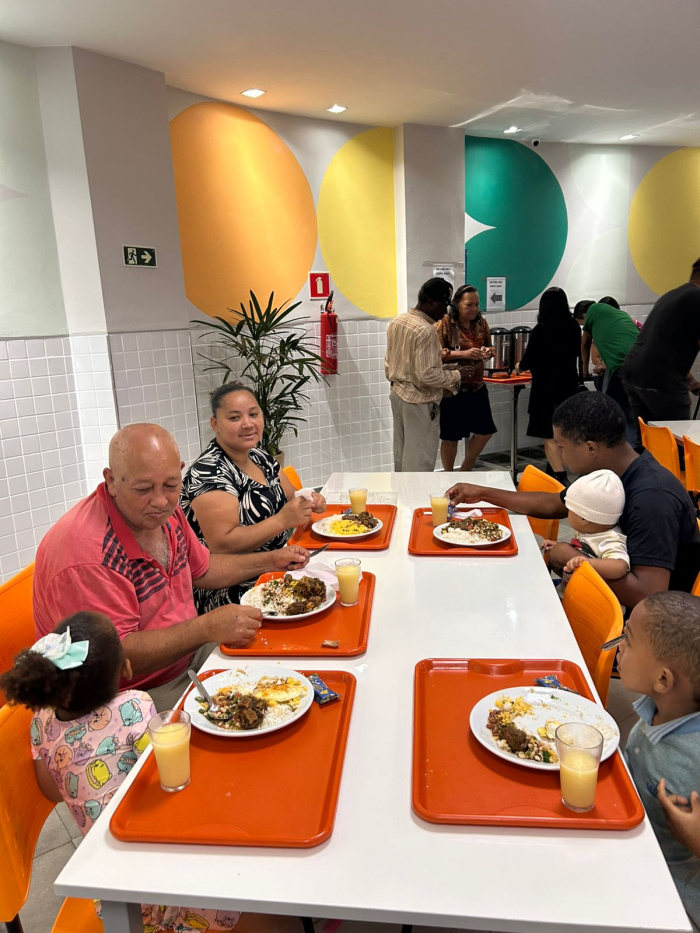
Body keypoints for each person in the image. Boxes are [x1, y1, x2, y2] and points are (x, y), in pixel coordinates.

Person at [0, 612, 299, 933]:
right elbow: (167, 777)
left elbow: (50, 789)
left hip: (108, 888)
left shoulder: (41, 722)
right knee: (276, 911)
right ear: (126, 668)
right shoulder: (134, 707)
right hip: (162, 884)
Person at [33, 423, 310, 710]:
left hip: (186, 661)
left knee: (289, 665)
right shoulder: (87, 552)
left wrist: (271, 560)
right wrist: (206, 628)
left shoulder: (166, 512)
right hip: (126, 698)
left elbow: (202, 570)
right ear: (112, 481)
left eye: (171, 485)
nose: (160, 501)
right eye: (143, 489)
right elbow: (117, 656)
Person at [447, 392, 700, 608]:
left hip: (643, 629)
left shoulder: (652, 497)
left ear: (591, 448)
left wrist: (570, 556)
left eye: (561, 446)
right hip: (600, 595)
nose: (559, 454)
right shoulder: (605, 475)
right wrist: (482, 493)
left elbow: (649, 595)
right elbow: (553, 504)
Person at [181, 383, 326, 613]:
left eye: (253, 414)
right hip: (232, 587)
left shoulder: (259, 455)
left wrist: (310, 500)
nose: (248, 423)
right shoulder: (209, 471)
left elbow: (291, 497)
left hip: (279, 566)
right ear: (215, 424)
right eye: (235, 417)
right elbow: (222, 545)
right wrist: (282, 521)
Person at [616, 592, 700, 928]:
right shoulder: (660, 709)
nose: (618, 645)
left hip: (670, 893)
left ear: (663, 679)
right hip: (632, 842)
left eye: (628, 640)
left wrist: (695, 839)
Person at [385, 277, 471, 471]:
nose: (445, 313)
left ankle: (402, 497)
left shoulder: (397, 321)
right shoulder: (426, 331)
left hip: (397, 393)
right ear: (430, 302)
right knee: (420, 459)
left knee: (402, 453)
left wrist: (447, 370)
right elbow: (427, 376)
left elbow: (395, 363)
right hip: (419, 401)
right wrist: (458, 375)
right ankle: (417, 499)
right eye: (443, 306)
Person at [515, 286, 581, 485]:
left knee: (548, 435)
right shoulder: (573, 326)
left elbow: (528, 359)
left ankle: (561, 478)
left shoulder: (541, 329)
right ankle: (553, 471)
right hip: (568, 385)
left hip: (545, 389)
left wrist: (520, 366)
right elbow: (576, 353)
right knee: (562, 433)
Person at [621, 259, 700, 423]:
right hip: (659, 379)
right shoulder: (696, 297)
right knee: (678, 438)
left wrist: (691, 381)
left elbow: (665, 345)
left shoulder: (671, 295)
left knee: (649, 439)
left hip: (634, 372)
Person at [434, 285, 497, 471]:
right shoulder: (444, 324)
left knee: (485, 431)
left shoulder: (481, 322)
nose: (474, 309)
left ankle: (466, 468)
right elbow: (437, 354)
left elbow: (490, 346)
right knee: (450, 436)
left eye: (477, 305)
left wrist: (487, 352)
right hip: (452, 387)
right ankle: (448, 474)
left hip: (476, 385)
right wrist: (465, 353)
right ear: (457, 304)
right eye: (469, 305)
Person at [541, 469, 630, 586]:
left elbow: (620, 566)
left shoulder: (609, 540)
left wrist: (589, 563)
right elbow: (584, 548)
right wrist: (564, 547)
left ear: (584, 519)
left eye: (570, 510)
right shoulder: (590, 531)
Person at [581, 300, 640, 444]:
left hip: (622, 371)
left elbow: (585, 343)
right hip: (644, 366)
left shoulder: (593, 312)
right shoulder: (623, 318)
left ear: (584, 315)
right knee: (634, 414)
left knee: (612, 411)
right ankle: (637, 450)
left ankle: (621, 452)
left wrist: (583, 373)